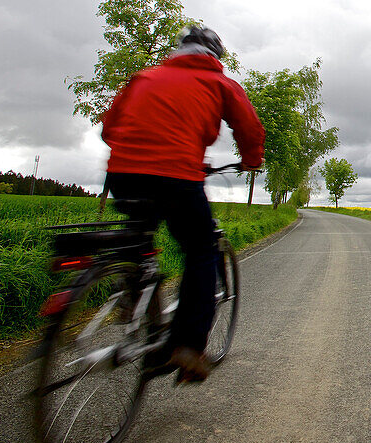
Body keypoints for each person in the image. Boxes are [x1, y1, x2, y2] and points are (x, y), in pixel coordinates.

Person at [101, 24, 265, 383]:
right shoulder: (220, 83)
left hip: (123, 174)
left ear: (180, 51)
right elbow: (249, 128)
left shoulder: (142, 77)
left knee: (141, 238)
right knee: (202, 249)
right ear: (215, 56)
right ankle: (188, 346)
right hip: (177, 175)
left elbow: (109, 129)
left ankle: (131, 288)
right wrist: (252, 159)